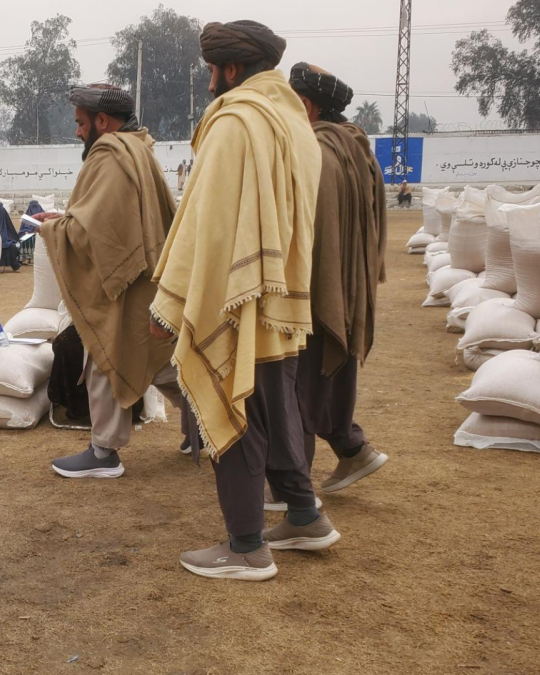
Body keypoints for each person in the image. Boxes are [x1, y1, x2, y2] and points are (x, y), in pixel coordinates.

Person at [150, 20, 337, 582]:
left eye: (212, 71)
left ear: (230, 69)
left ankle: (247, 547)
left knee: (236, 404)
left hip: (238, 296)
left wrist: (173, 299)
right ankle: (304, 516)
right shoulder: (295, 122)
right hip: (282, 293)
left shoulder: (236, 123)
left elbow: (203, 222)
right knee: (276, 406)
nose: (211, 83)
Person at [37, 82, 183, 479]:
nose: (78, 131)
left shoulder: (110, 155)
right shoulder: (139, 147)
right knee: (157, 359)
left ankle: (104, 453)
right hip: (149, 274)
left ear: (103, 121)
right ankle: (204, 422)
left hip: (126, 282)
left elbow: (93, 233)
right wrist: (65, 222)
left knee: (105, 352)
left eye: (82, 123)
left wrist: (54, 231)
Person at [288, 61, 389, 500]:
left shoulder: (320, 154)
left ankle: (292, 487)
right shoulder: (356, 149)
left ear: (306, 106)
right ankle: (352, 448)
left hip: (319, 290)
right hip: (348, 285)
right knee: (331, 378)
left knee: (298, 387)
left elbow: (311, 234)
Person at [0, 201, 21, 273]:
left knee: (12, 247)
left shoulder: (5, 218)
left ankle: (15, 266)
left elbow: (11, 231)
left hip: (6, 240)